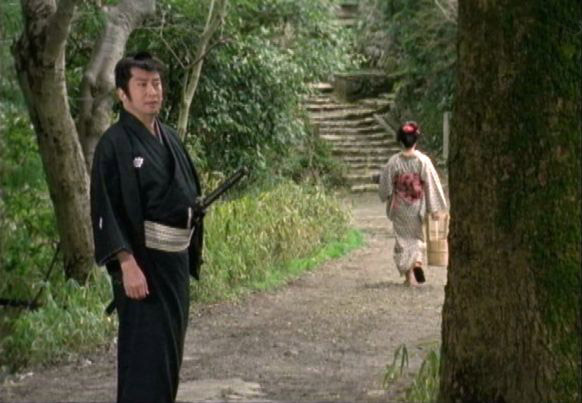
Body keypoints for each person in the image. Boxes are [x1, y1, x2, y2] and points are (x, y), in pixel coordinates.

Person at [90, 52, 204, 403]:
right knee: (145, 358)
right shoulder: (114, 143)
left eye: (156, 84)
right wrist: (126, 263)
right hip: (142, 265)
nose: (152, 92)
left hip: (173, 264)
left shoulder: (169, 137)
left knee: (168, 357)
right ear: (123, 94)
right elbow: (105, 208)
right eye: (141, 85)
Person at [378, 121, 447, 286]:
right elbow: (431, 184)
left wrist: (386, 194)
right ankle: (417, 262)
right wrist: (434, 209)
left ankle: (408, 278)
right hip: (417, 207)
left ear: (400, 141)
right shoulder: (423, 161)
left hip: (400, 208)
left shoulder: (394, 162)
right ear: (416, 140)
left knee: (402, 240)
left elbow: (385, 186)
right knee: (417, 238)